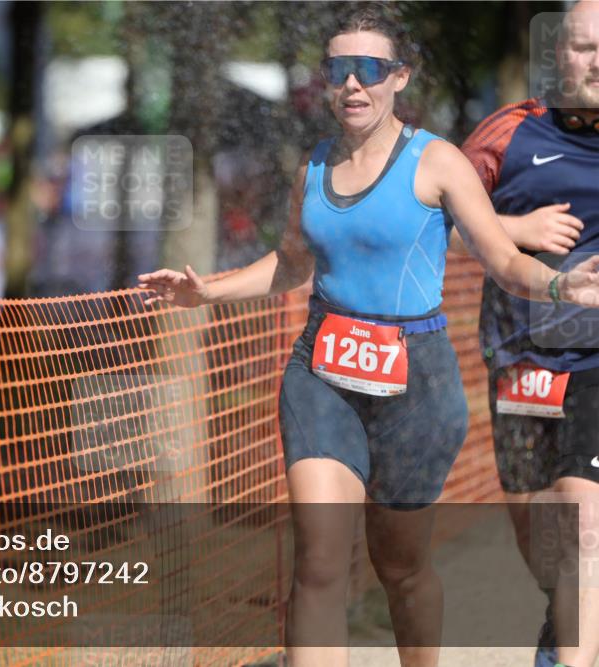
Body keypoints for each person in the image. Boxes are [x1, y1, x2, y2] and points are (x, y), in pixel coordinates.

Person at [137, 5, 599, 666]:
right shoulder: (314, 166)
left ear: (399, 77)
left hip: (417, 385)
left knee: (401, 567)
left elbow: (502, 259)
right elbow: (291, 264)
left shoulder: (438, 162)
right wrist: (207, 291)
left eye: (370, 69)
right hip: (321, 376)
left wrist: (561, 286)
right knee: (319, 562)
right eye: (339, 69)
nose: (353, 83)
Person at [454, 4, 599, 666]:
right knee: (541, 544)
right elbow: (437, 215)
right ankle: (566, 637)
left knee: (581, 524)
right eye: (584, 47)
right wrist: (516, 230)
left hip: (595, 365)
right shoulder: (510, 132)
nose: (596, 62)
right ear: (558, 53)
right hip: (521, 362)